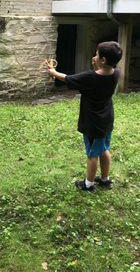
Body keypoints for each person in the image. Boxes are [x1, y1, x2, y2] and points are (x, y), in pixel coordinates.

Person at [46, 41, 122, 192]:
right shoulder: (116, 72)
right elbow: (98, 76)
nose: (94, 56)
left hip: (93, 123)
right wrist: (96, 66)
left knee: (92, 154)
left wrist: (52, 71)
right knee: (104, 149)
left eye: (97, 55)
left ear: (103, 60)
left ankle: (88, 184)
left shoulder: (89, 77)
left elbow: (67, 78)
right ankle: (105, 180)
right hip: (106, 121)